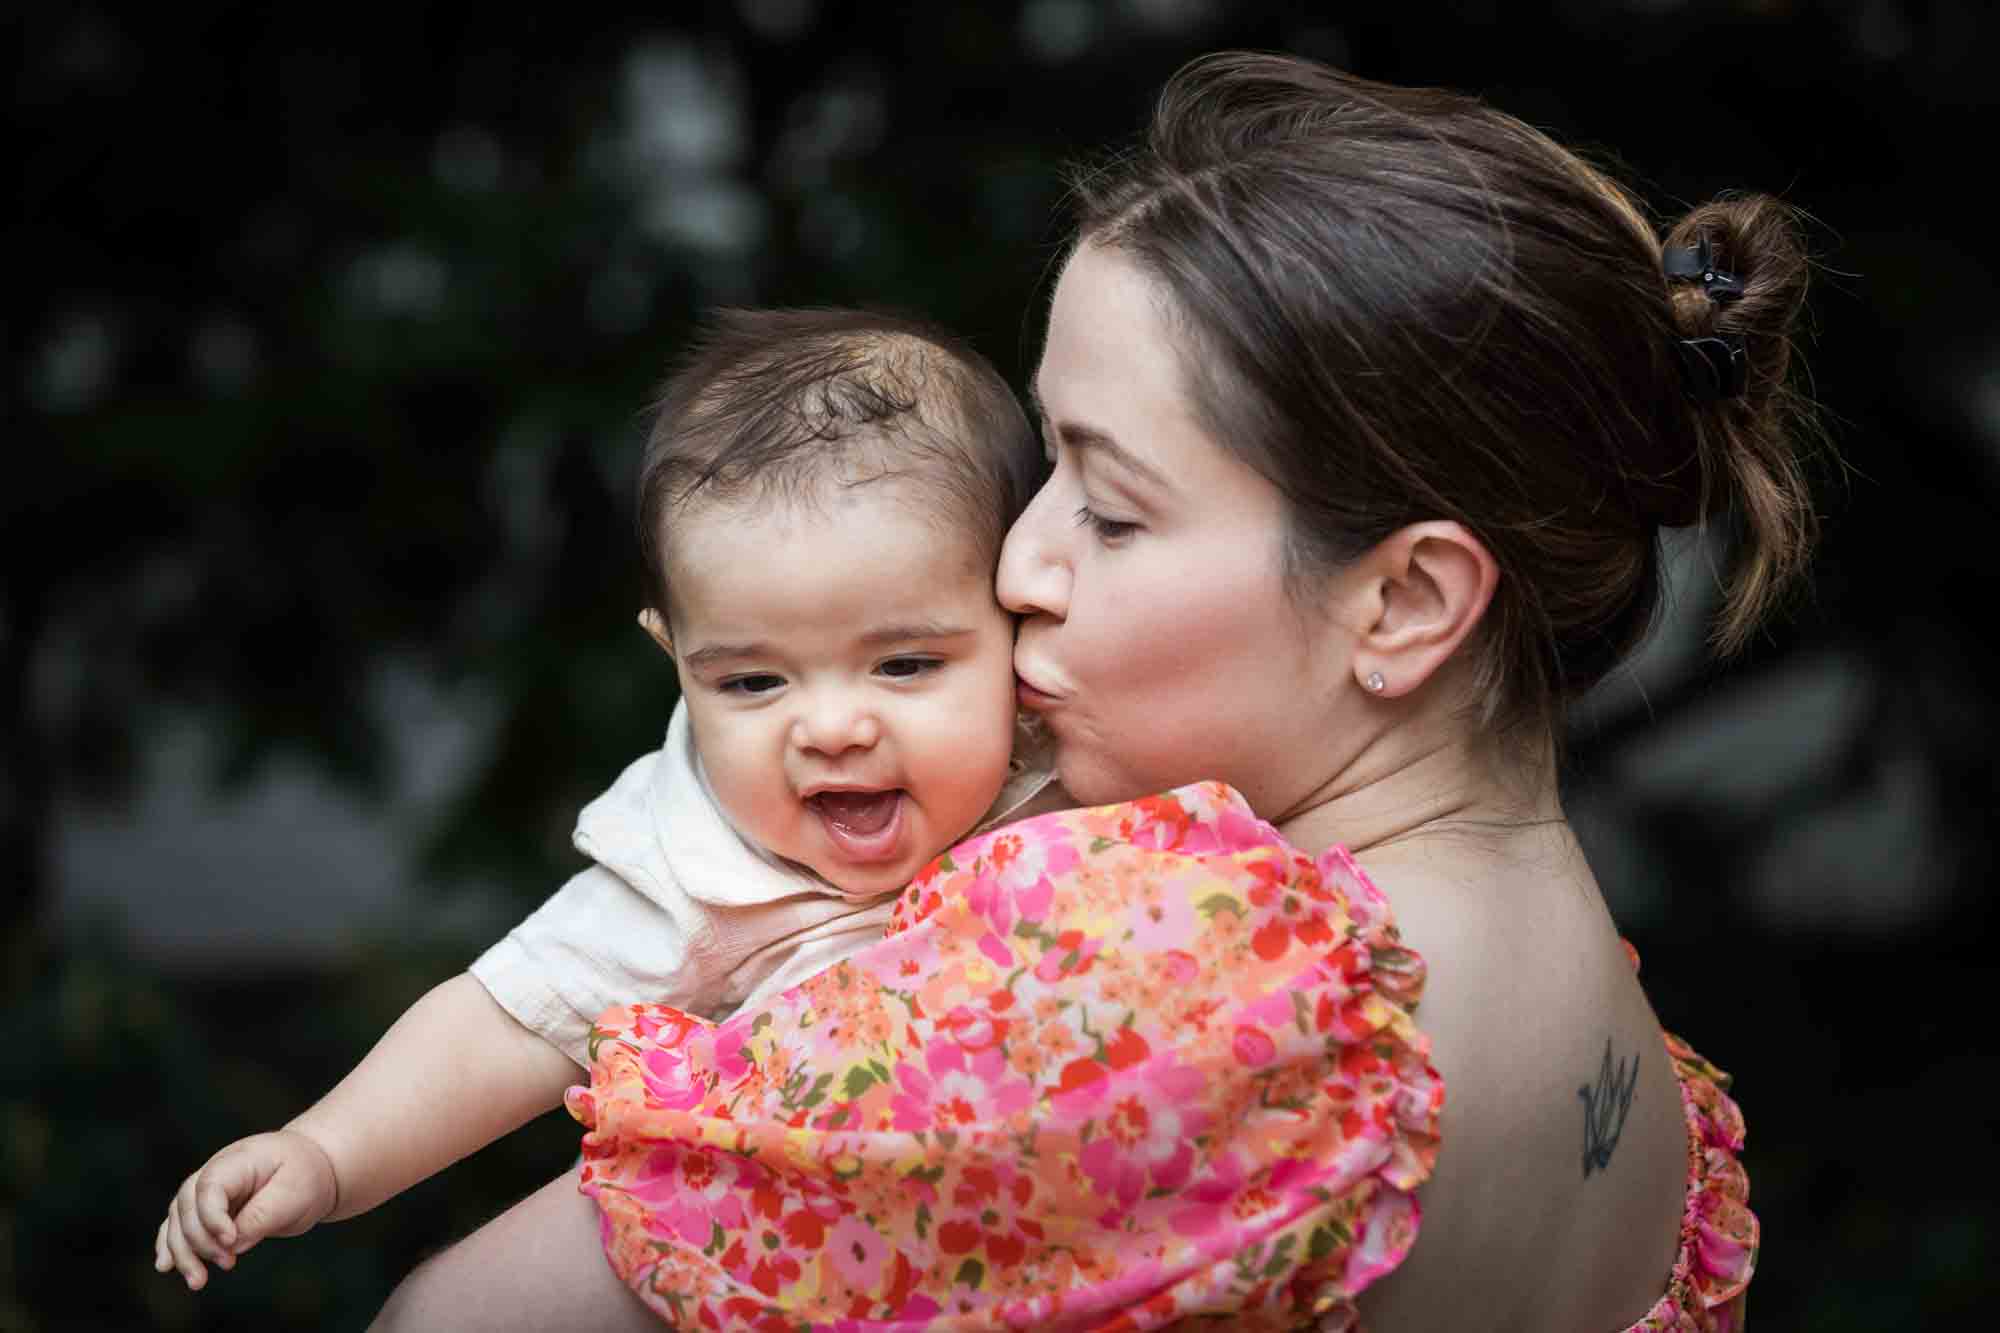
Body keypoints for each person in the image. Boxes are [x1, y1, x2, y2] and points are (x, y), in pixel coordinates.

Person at [372, 51, 1811, 1331]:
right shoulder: (1637, 1080)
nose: (1016, 564)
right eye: (1041, 469)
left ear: (1407, 602)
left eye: (1108, 511)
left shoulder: (1169, 982)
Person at [152, 307, 1063, 1293]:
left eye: (902, 662)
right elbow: (511, 1020)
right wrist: (327, 1152)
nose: (832, 727)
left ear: (1016, 616)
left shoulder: (1082, 758)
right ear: (674, 659)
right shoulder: (696, 866)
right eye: (753, 682)